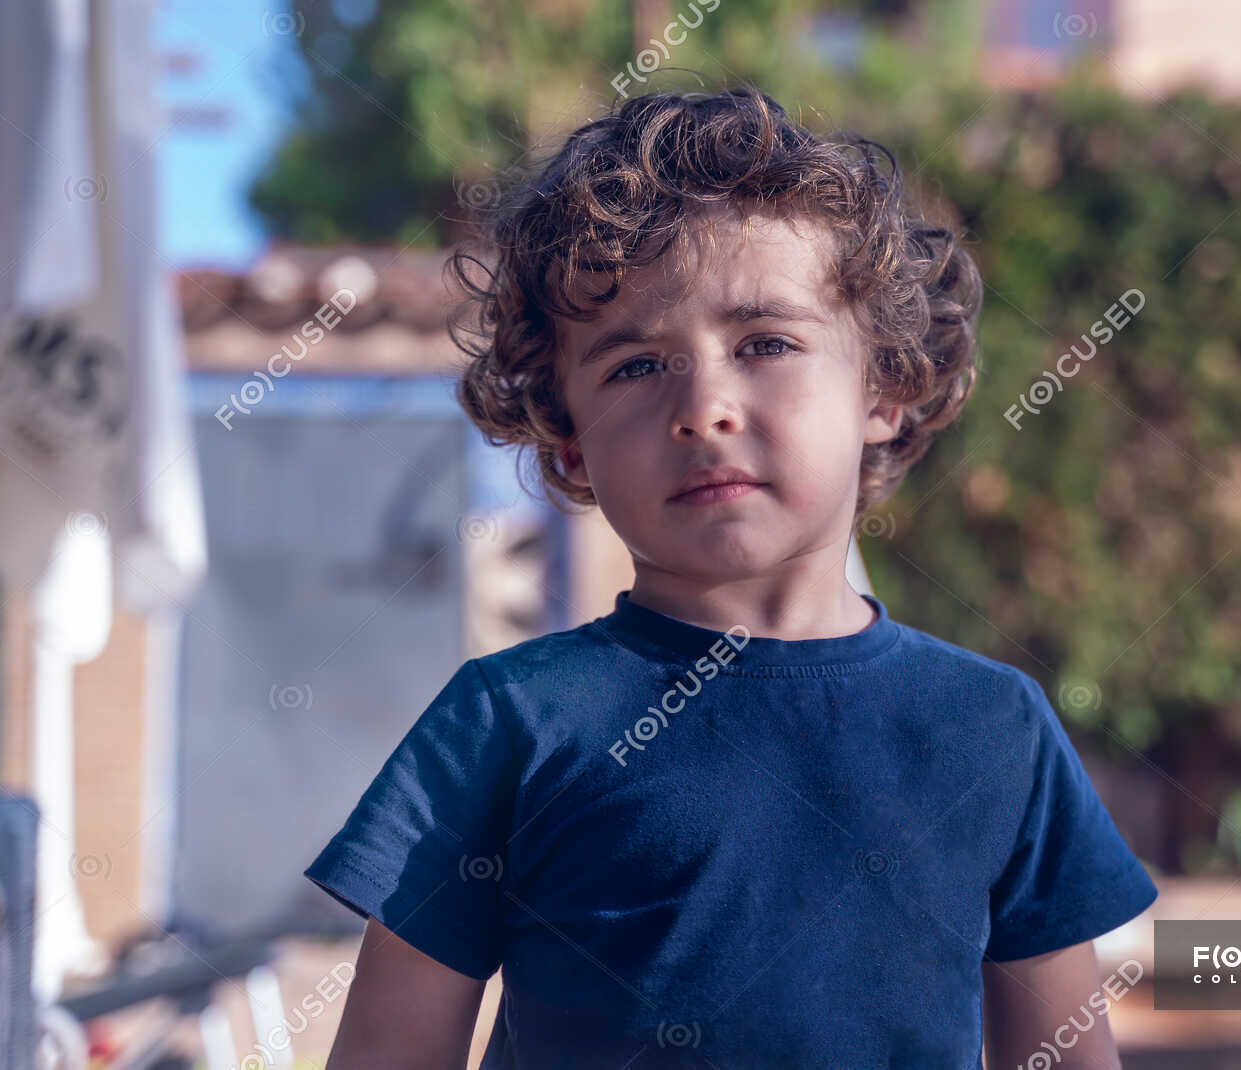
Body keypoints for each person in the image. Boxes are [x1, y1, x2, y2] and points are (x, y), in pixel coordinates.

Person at [305, 85, 1157, 1069]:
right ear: (570, 443)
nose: (704, 405)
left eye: (767, 344)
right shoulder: (505, 722)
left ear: (885, 387)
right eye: (634, 365)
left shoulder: (992, 727)